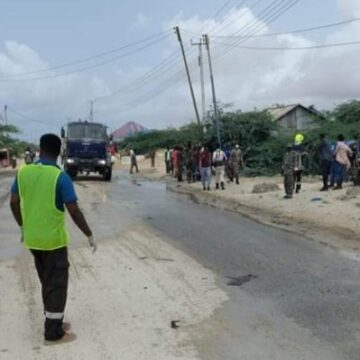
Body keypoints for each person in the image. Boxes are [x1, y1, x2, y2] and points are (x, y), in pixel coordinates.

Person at [9, 134, 96, 345]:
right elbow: (74, 210)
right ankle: (53, 332)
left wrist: (22, 226)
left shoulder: (23, 172)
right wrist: (89, 234)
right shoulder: (60, 177)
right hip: (53, 242)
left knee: (46, 281)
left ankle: (53, 318)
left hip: (33, 241)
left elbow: (13, 202)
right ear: (59, 153)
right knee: (56, 284)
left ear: (40, 149)